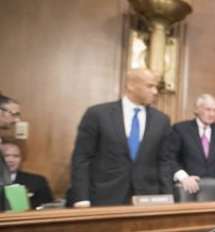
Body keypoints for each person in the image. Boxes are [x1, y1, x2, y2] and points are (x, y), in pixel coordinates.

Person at [69, 68, 172, 206]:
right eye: (150, 86)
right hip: (105, 197)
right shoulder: (98, 114)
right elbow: (82, 158)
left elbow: (164, 162)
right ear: (131, 85)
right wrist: (82, 199)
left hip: (147, 198)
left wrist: (167, 198)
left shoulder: (161, 120)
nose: (155, 92)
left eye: (156, 87)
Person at [167, 94, 215, 194]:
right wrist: (183, 177)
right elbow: (170, 158)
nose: (212, 114)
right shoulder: (180, 129)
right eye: (208, 109)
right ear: (197, 109)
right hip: (187, 188)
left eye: (214, 110)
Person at [1, 142, 54, 208]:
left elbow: (48, 207)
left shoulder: (37, 181)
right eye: (6, 156)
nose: (11, 160)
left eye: (16, 156)